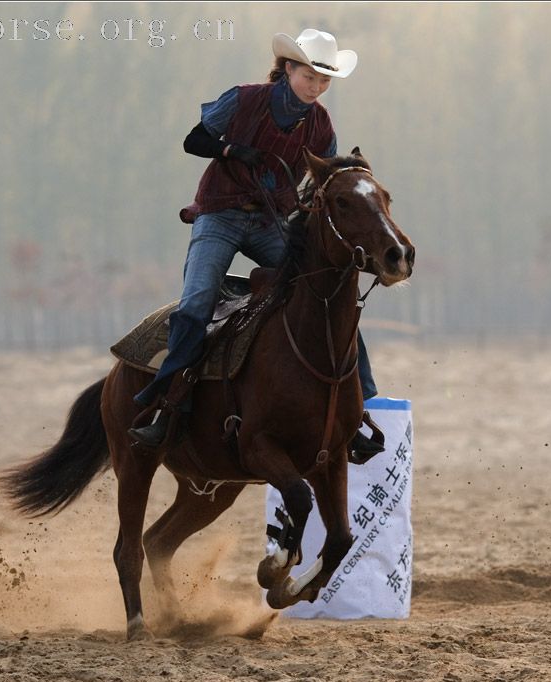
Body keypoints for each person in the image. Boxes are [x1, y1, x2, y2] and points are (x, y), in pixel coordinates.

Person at [128, 28, 384, 463]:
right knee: (196, 303)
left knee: (329, 299)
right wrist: (230, 150)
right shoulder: (244, 98)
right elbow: (195, 140)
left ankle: (361, 410)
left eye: (325, 80)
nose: (317, 86)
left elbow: (320, 184)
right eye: (310, 76)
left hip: (272, 222)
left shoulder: (322, 126)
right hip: (220, 214)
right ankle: (166, 408)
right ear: (288, 69)